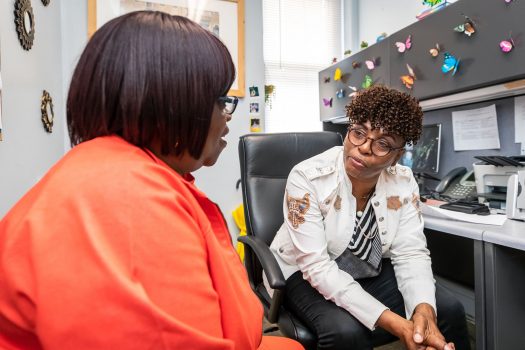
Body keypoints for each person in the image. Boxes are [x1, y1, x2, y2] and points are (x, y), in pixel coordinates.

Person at [0, 12, 302, 350]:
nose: (229, 115)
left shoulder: (124, 171)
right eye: (221, 101)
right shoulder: (127, 201)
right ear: (172, 106)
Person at [269, 85, 470, 350]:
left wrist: (423, 311)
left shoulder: (403, 181)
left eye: (383, 144)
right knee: (346, 333)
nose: (364, 147)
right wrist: (399, 325)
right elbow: (317, 268)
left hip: (366, 268)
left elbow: (410, 253)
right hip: (304, 271)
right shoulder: (307, 177)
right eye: (358, 133)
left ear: (398, 156)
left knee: (447, 310)